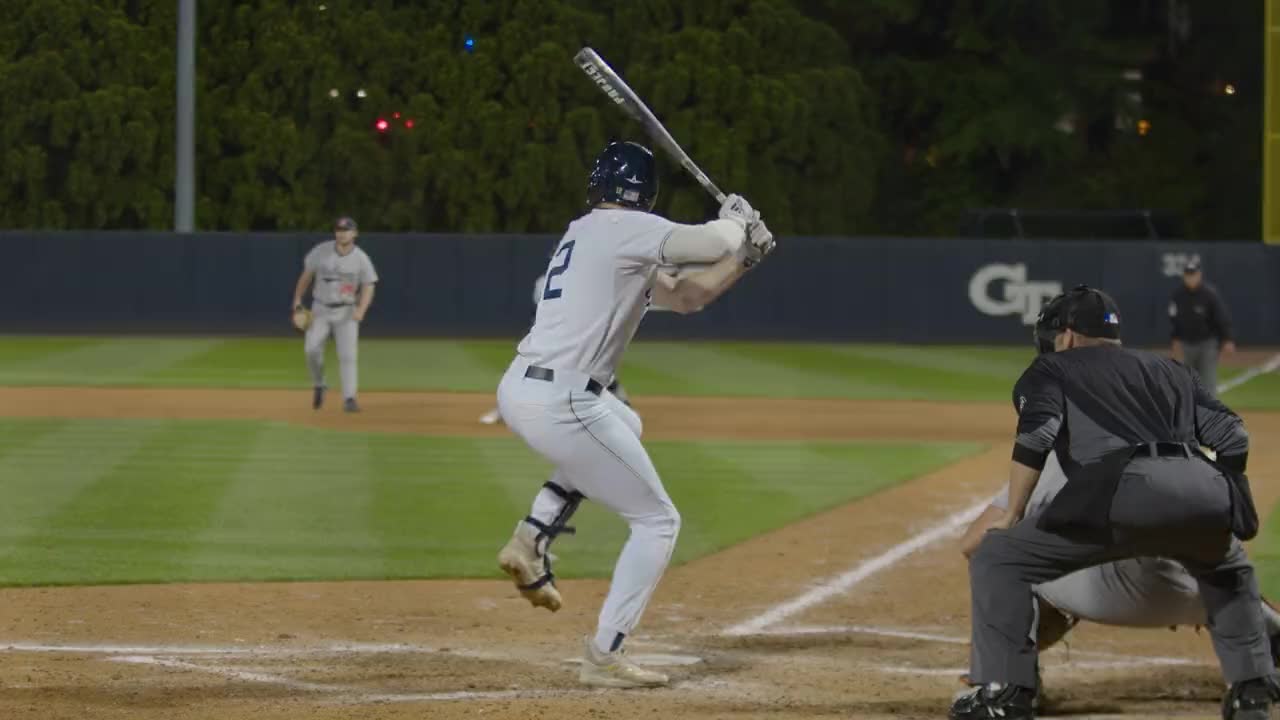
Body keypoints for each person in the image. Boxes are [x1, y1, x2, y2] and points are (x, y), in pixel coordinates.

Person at [494, 141, 774, 688]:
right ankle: (604, 655)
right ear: (644, 193)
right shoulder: (623, 230)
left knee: (628, 423)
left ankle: (531, 537)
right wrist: (736, 223)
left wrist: (743, 256)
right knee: (658, 521)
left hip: (529, 389)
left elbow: (689, 296)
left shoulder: (596, 235)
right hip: (563, 400)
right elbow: (707, 239)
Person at [950, 285, 1276, 720]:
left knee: (998, 557)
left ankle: (1005, 696)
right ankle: (1252, 693)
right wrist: (1228, 492)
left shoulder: (1054, 366)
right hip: (1202, 484)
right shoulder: (1171, 368)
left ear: (1065, 336)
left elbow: (1038, 432)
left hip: (1123, 491)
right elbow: (1232, 435)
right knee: (1230, 571)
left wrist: (1012, 513)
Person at [958, 451, 1280, 709]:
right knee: (1231, 577)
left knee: (1011, 563)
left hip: (1097, 595)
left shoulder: (1059, 453)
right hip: (1195, 596)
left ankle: (1011, 684)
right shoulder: (1193, 450)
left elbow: (973, 544)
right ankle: (1263, 663)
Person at [292, 216, 378, 413]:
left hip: (347, 311)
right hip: (320, 308)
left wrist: (361, 309)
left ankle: (349, 398)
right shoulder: (321, 251)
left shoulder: (361, 258)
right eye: (339, 229)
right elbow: (306, 276)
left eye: (346, 230)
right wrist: (297, 301)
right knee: (311, 350)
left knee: (348, 356)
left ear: (355, 233)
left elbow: (369, 286)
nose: (341, 233)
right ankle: (319, 384)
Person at [1170, 259, 1236, 395]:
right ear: (1184, 276)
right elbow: (1174, 319)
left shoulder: (1209, 294)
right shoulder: (1178, 295)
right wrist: (1175, 339)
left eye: (1193, 274)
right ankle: (1190, 413)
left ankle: (1210, 414)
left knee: (1208, 381)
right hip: (1187, 344)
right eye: (1188, 275)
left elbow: (1221, 318)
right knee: (1188, 381)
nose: (1190, 278)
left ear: (1199, 275)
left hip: (1207, 343)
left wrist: (1227, 339)